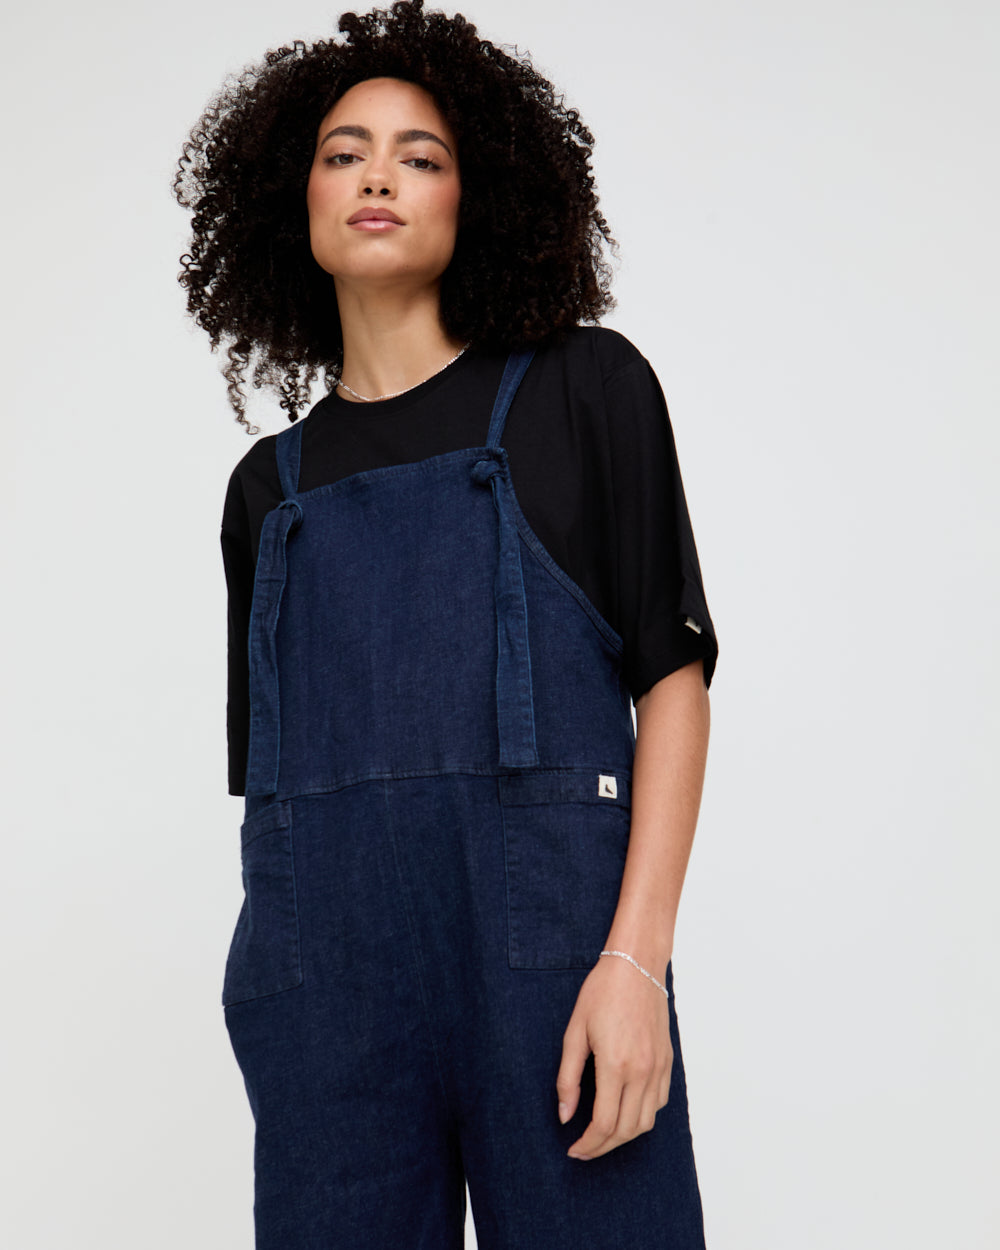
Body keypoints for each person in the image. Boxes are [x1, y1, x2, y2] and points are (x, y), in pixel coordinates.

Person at [173, 2, 719, 1246]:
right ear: (292, 198)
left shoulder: (586, 388)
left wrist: (635, 965)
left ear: (480, 197)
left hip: (555, 961)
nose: (378, 173)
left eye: (422, 155)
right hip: (327, 990)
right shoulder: (271, 489)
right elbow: (278, 795)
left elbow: (673, 679)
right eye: (343, 149)